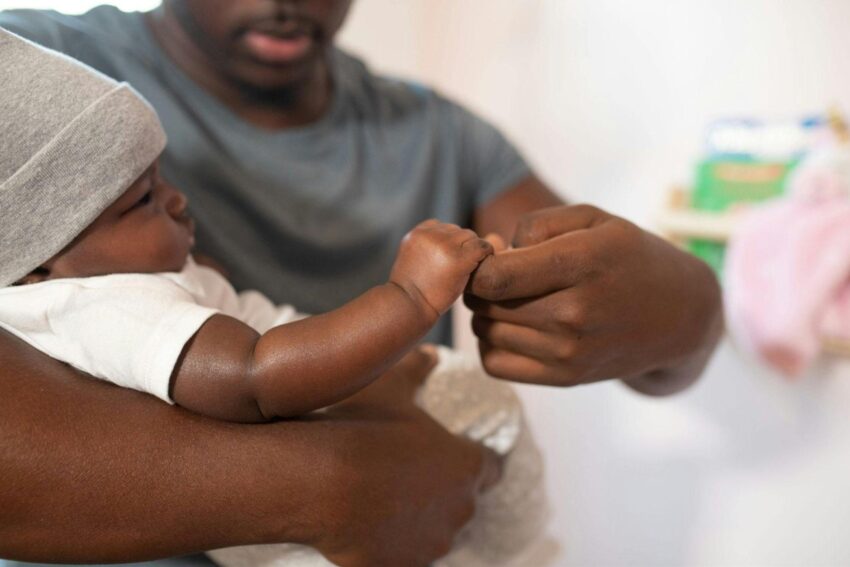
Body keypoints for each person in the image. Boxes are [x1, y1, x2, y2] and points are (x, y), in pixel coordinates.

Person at [0, 0, 723, 565]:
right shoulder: (40, 90)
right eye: (142, 201)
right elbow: (252, 375)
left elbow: (632, 337)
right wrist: (323, 484)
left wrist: (689, 309)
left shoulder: (446, 135)